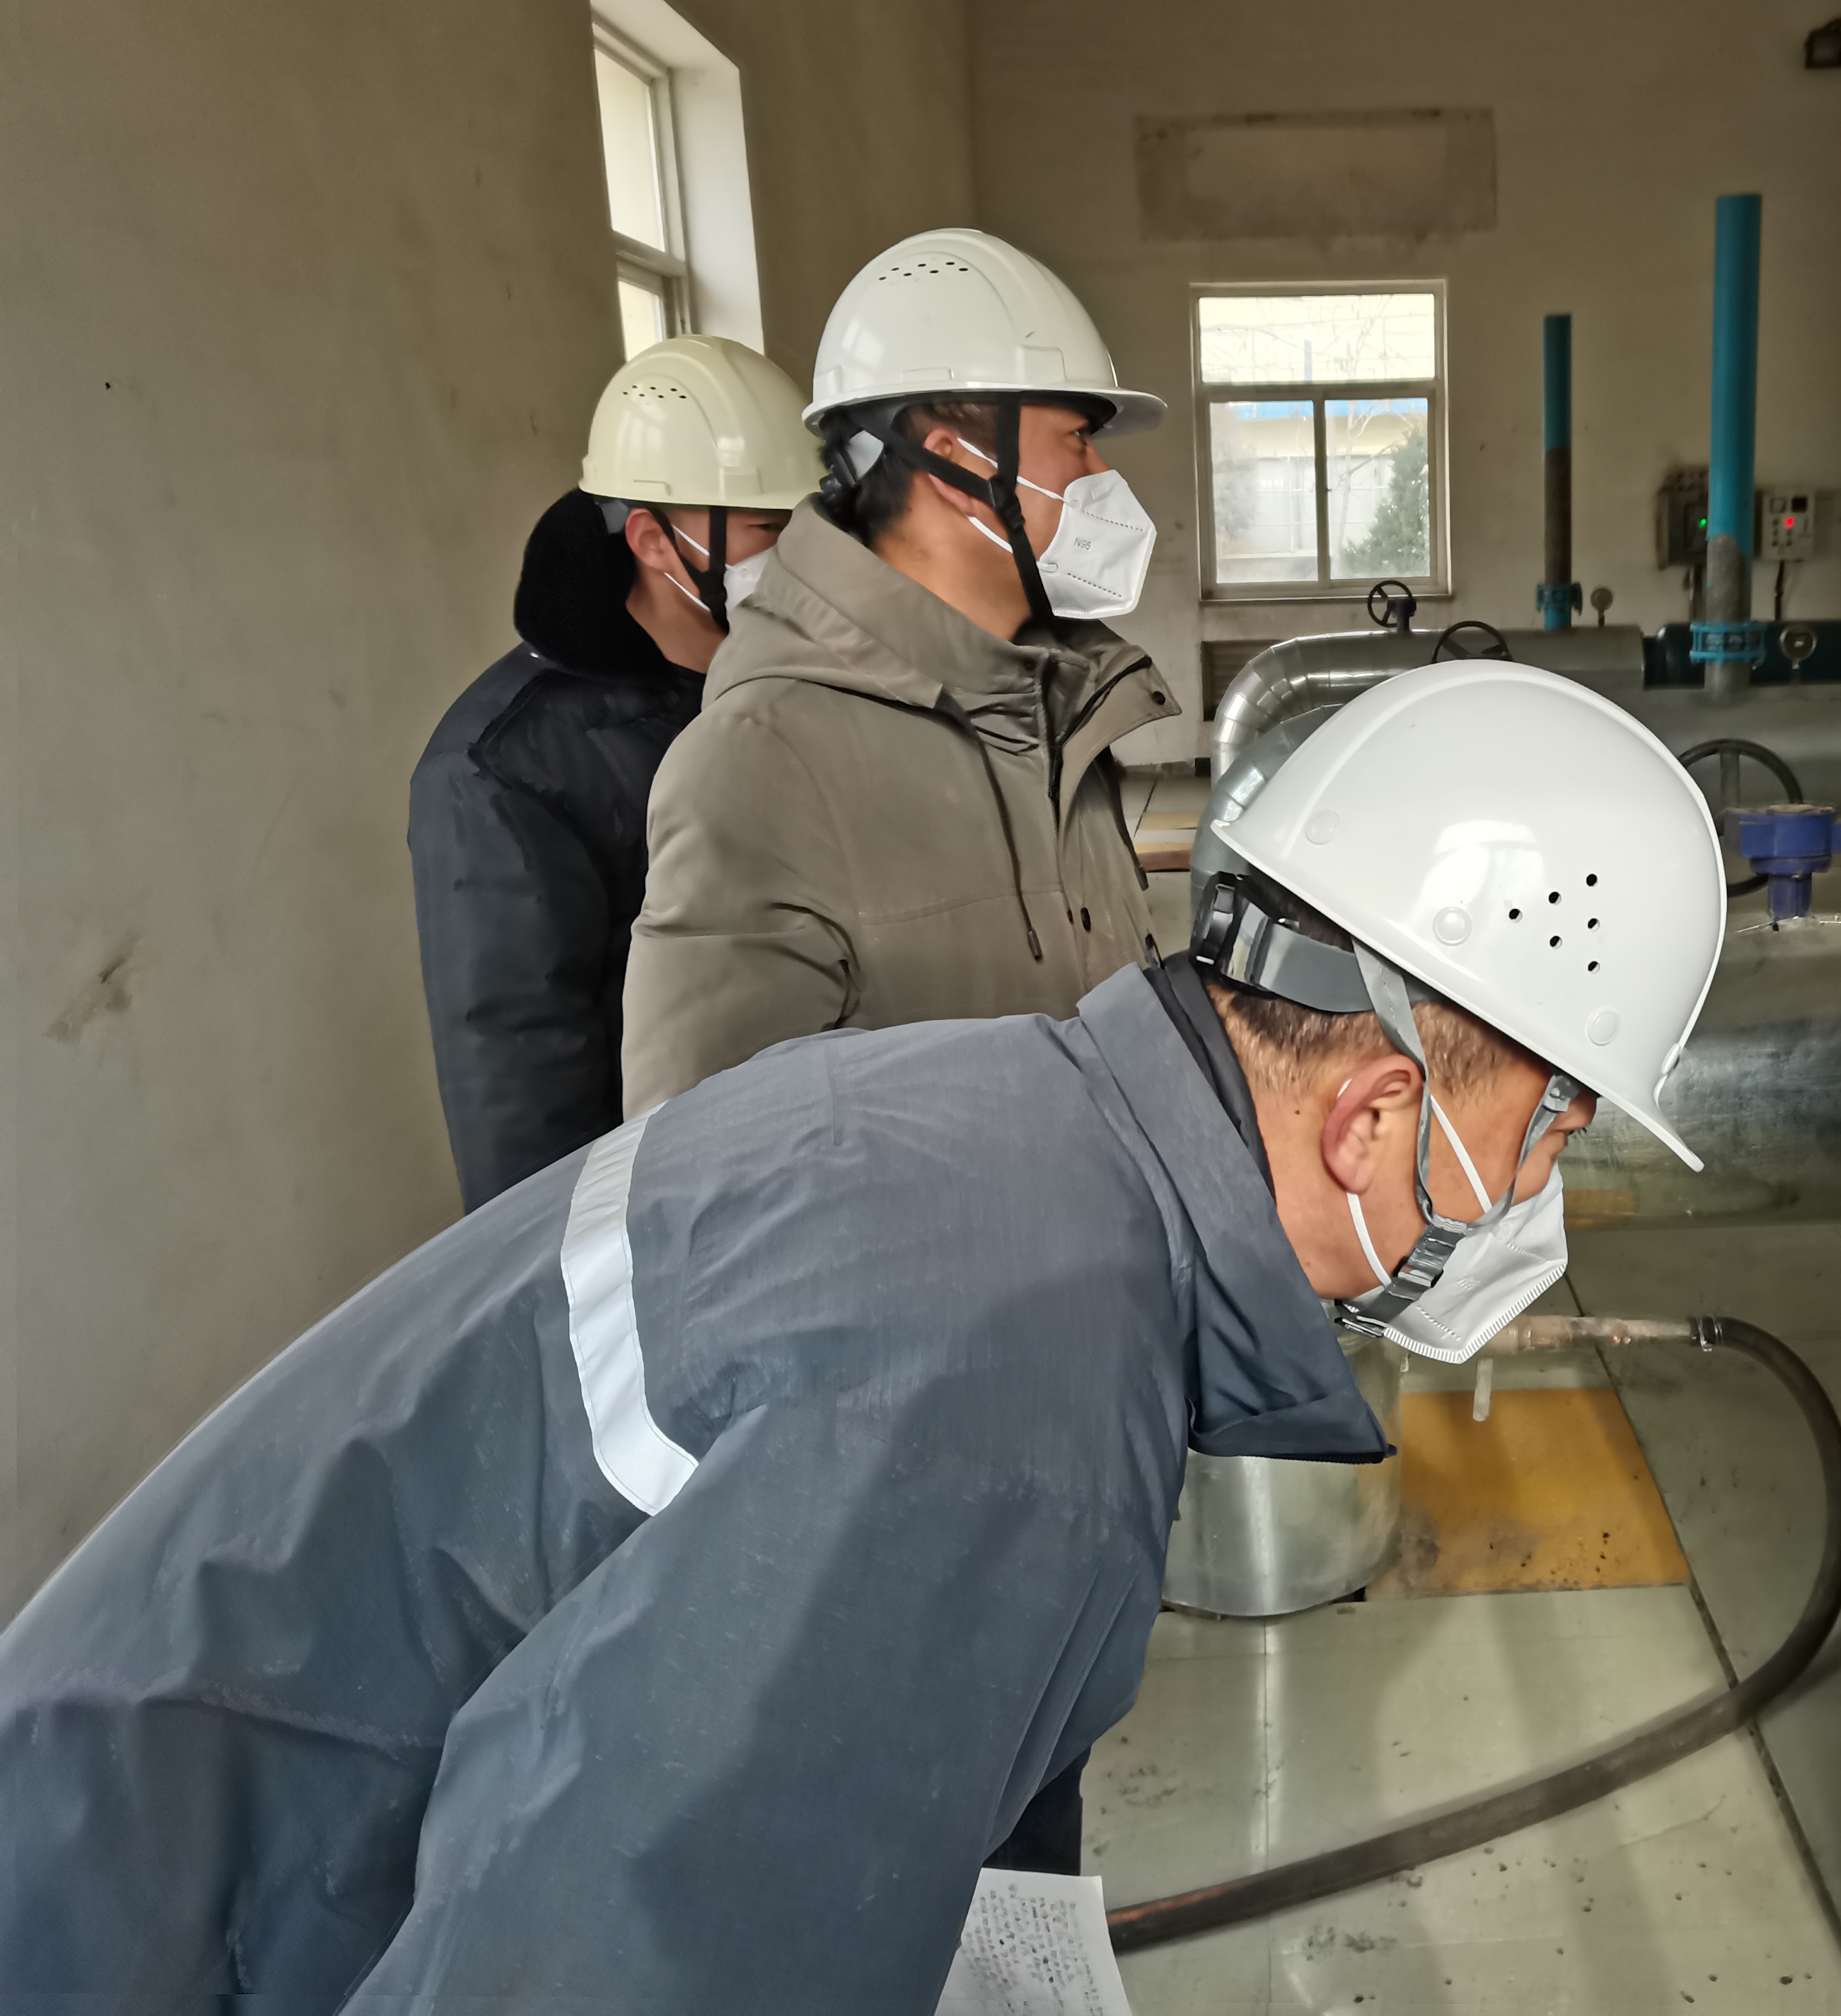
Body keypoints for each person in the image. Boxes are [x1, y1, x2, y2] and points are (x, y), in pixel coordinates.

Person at [0, 662, 1726, 2010]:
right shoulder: (1013, 1399)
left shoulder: (1018, 1133)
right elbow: (602, 1970)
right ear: (1374, 1115)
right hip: (150, 1932)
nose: (1535, 1201)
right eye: (1547, 1135)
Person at [620, 227, 1181, 1120]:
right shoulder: (758, 765)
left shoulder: (1056, 707)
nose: (1102, 472)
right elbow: (705, 1170)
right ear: (957, 462)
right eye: (1078, 438)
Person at [408, 335, 822, 1209]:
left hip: (806, 1155)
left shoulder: (789, 679)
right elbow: (523, 1093)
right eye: (769, 531)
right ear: (654, 541)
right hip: (674, 1205)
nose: (799, 559)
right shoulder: (504, 770)